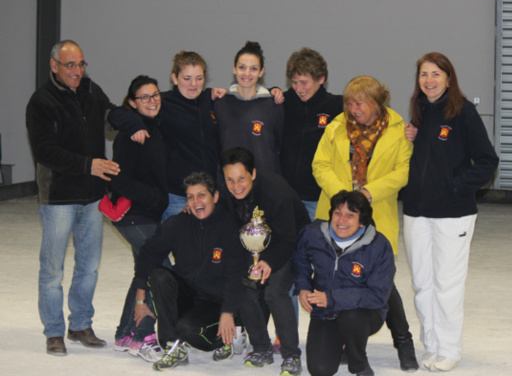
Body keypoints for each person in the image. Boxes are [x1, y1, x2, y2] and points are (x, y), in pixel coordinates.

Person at [313, 75, 418, 371]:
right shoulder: (335, 128)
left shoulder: (399, 132)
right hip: (338, 215)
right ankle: (348, 342)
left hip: (377, 213)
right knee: (340, 277)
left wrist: (368, 193)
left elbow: (402, 173)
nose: (353, 108)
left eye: (359, 103)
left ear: (376, 102)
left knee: (381, 282)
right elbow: (319, 165)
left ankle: (403, 341)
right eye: (349, 102)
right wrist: (344, 199)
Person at [402, 52, 499, 372]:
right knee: (422, 283)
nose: (429, 80)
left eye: (435, 74)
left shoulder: (463, 111)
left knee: (447, 284)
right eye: (424, 75)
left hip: (453, 214)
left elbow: (487, 161)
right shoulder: (420, 112)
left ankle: (450, 348)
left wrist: (457, 186)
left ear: (448, 78)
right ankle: (431, 344)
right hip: (416, 212)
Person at [25, 39, 120, 356]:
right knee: (52, 270)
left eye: (81, 64)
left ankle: (80, 325)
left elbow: (112, 117)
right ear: (54, 66)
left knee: (89, 267)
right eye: (70, 65)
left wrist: (139, 110)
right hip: (58, 199)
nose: (77, 71)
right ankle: (54, 332)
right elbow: (44, 151)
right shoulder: (41, 102)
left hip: (92, 197)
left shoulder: (92, 91)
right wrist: (87, 165)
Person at [131, 171, 249, 371]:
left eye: (202, 195)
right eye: (191, 197)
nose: (196, 202)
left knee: (189, 329)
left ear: (216, 197)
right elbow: (147, 254)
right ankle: (174, 346)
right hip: (189, 294)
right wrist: (140, 299)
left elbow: (236, 274)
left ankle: (229, 335)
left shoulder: (229, 226)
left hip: (216, 302)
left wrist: (228, 312)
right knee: (160, 276)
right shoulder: (178, 224)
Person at [219, 147, 309, 376]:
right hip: (254, 245)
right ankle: (261, 348)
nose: (236, 185)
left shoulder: (275, 193)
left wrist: (268, 262)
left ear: (254, 174)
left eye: (242, 178)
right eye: (230, 179)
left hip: (289, 244)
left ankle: (291, 355)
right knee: (245, 287)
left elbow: (288, 238)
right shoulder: (226, 193)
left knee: (274, 291)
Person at [108, 51, 225, 221]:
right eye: (187, 78)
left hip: (209, 195)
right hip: (176, 197)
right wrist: (135, 125)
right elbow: (117, 113)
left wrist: (274, 91)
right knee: (179, 246)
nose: (193, 84)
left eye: (199, 78)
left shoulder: (213, 101)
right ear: (174, 78)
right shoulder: (161, 102)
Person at [293, 190, 395, 376]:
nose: (341, 221)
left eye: (350, 215)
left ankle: (359, 363)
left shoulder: (379, 246)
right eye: (337, 213)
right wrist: (303, 286)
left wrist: (332, 298)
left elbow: (378, 295)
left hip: (364, 313)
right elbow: (300, 259)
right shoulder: (313, 234)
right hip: (325, 310)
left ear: (361, 221)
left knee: (351, 317)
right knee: (320, 369)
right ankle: (340, 345)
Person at [106, 75, 168, 362]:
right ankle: (143, 335)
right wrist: (155, 197)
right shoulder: (131, 135)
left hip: (148, 213)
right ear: (132, 103)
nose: (152, 100)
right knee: (158, 269)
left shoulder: (155, 128)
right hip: (133, 214)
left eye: (155, 95)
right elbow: (118, 180)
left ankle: (124, 333)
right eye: (144, 97)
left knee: (143, 271)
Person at [281, 47, 342, 220]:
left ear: (321, 79)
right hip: (287, 196)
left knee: (317, 246)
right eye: (294, 82)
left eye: (304, 82)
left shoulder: (337, 106)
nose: (299, 88)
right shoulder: (282, 102)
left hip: (318, 198)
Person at [214, 41, 284, 174]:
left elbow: (278, 146)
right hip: (231, 186)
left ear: (261, 72)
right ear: (234, 68)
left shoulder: (273, 105)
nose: (247, 73)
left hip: (265, 185)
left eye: (253, 69)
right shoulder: (220, 104)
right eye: (242, 67)